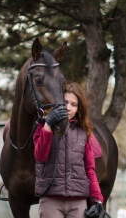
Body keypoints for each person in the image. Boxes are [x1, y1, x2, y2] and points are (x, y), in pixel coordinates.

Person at [33, 82, 104, 218]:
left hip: (78, 203)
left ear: (79, 108)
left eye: (73, 104)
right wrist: (48, 125)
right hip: (51, 200)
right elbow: (40, 156)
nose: (68, 107)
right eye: (65, 102)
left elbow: (90, 168)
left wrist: (97, 199)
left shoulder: (84, 132)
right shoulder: (42, 126)